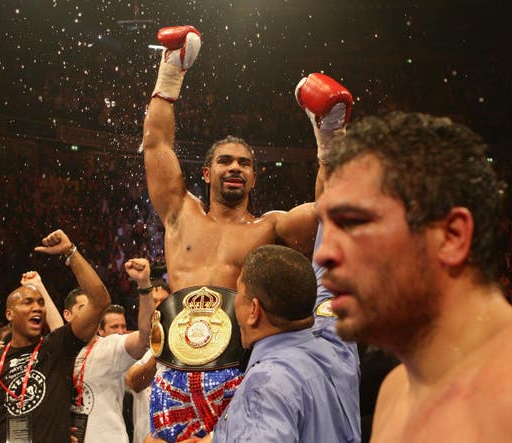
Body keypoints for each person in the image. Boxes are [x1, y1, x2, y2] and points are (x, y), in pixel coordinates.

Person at [141, 24, 353, 442]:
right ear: (207, 172)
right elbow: (156, 146)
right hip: (174, 378)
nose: (234, 167)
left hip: (241, 376)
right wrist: (170, 73)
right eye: (224, 161)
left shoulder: (271, 226)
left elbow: (333, 211)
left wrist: (329, 138)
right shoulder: (180, 213)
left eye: (243, 163)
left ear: (254, 178)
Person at [314, 111, 512, 442]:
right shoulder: (394, 394)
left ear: (451, 236)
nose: (322, 254)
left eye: (354, 222)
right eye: (327, 226)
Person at [189, 244, 360, 442]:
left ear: (254, 310)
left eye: (238, 292)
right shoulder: (337, 341)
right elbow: (329, 275)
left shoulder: (264, 386)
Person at [0, 229, 111, 443]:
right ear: (9, 314)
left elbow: (100, 300)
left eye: (41, 303)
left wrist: (70, 252)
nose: (38, 308)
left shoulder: (57, 346)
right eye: (28, 302)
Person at [62, 258, 154, 443]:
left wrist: (143, 285)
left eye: (94, 309)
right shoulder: (57, 351)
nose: (90, 313)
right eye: (83, 308)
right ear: (67, 315)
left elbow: (145, 335)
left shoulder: (110, 346)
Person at [125, 264, 171, 443]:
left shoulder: (188, 348)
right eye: (154, 301)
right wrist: (162, 352)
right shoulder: (135, 346)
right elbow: (133, 382)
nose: (158, 308)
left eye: (164, 302)